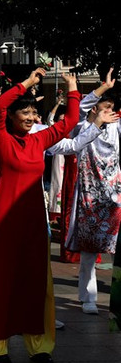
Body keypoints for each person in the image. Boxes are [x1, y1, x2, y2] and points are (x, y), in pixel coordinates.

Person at [0, 68, 80, 363]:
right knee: (2, 282)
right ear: (12, 116)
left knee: (36, 281)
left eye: (33, 113)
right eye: (25, 112)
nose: (31, 117)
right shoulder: (0, 138)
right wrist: (27, 83)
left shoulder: (39, 140)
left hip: (35, 221)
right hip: (5, 220)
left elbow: (70, 122)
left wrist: (72, 87)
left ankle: (39, 346)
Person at [63, 68, 120, 315]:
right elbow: (80, 108)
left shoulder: (117, 128)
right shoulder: (81, 128)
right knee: (89, 250)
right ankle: (88, 298)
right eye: (106, 107)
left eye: (112, 108)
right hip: (89, 195)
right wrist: (103, 88)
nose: (110, 112)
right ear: (95, 109)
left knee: (116, 250)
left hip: (115, 195)